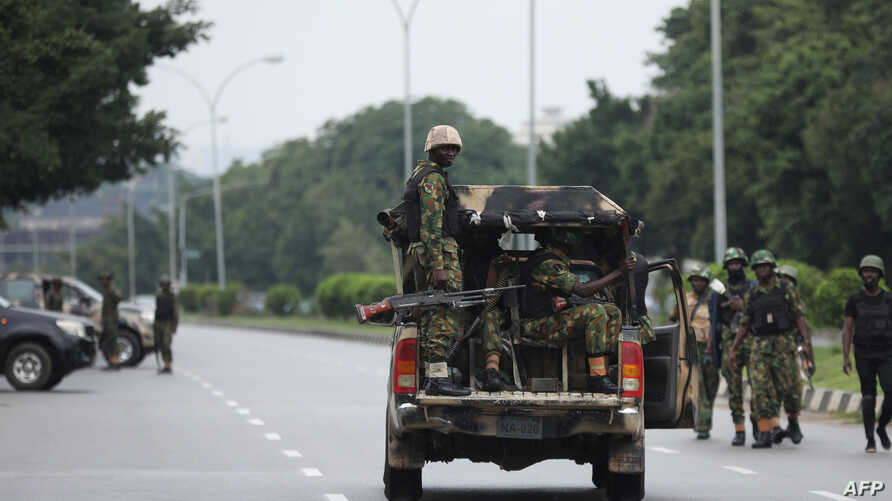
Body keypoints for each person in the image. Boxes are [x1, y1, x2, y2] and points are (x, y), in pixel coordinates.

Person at [478, 228, 638, 393]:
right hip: (534, 324)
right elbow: (583, 290)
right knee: (595, 312)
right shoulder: (548, 263)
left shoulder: (553, 260)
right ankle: (597, 378)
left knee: (612, 312)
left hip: (546, 320)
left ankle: (602, 373)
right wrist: (619, 272)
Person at [403, 125, 470, 396]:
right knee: (443, 315)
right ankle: (438, 379)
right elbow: (431, 226)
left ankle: (434, 377)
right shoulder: (432, 179)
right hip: (438, 254)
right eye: (445, 148)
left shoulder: (425, 175)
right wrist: (439, 267)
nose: (451, 153)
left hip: (432, 254)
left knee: (433, 317)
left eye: (455, 148)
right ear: (431, 149)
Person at [729, 250, 813, 449]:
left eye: (765, 265)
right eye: (758, 267)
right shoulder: (752, 295)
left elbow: (799, 316)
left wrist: (807, 343)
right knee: (760, 390)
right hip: (759, 345)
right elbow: (744, 324)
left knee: (792, 389)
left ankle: (793, 420)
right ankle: (764, 433)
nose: (762, 269)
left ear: (772, 267)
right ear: (755, 270)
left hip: (784, 344)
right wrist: (734, 349)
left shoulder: (786, 289)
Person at [842, 255, 892, 453]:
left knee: (891, 391)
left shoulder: (889, 299)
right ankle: (870, 439)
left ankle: (881, 427)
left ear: (880, 274)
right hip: (863, 353)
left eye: (873, 271)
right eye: (866, 271)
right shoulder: (854, 300)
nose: (869, 274)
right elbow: (847, 329)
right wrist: (846, 357)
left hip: (887, 352)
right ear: (861, 274)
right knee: (868, 397)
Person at [712, 247, 758, 446]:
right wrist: (714, 352)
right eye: (731, 264)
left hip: (753, 340)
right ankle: (739, 428)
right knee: (734, 388)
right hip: (730, 343)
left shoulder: (754, 287)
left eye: (738, 263)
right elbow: (714, 322)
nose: (734, 267)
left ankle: (759, 425)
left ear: (743, 265)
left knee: (759, 386)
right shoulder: (719, 291)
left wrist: (743, 307)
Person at [685, 266, 720, 439]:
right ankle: (702, 425)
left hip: (712, 348)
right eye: (695, 280)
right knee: (699, 387)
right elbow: (675, 320)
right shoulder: (686, 299)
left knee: (711, 386)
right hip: (693, 347)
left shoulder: (714, 299)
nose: (697, 283)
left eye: (701, 280)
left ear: (706, 282)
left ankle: (706, 420)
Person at [154, 275, 179, 374]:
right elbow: (157, 310)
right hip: (159, 323)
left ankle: (168, 364)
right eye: (162, 284)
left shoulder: (172, 297)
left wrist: (174, 326)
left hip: (168, 323)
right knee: (160, 344)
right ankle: (165, 364)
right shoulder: (159, 296)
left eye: (166, 284)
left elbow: (175, 312)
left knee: (166, 343)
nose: (164, 286)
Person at [98, 272, 122, 370]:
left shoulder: (112, 289)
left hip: (112, 319)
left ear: (108, 280)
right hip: (107, 320)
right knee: (108, 341)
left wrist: (112, 292)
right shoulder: (106, 289)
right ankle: (112, 362)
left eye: (103, 279)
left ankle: (115, 362)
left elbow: (119, 297)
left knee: (112, 341)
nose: (101, 281)